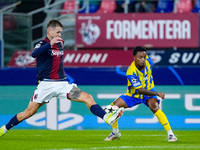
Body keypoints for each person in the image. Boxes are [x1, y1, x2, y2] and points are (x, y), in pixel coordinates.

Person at [0, 19, 124, 137]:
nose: (60, 34)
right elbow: (34, 54)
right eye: (58, 32)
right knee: (28, 113)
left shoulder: (60, 43)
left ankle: (106, 118)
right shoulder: (42, 43)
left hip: (62, 84)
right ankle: (3, 129)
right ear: (50, 31)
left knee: (88, 97)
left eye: (61, 32)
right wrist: (49, 45)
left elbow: (52, 60)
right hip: (46, 85)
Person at [104, 46, 177, 142]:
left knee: (155, 107)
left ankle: (171, 135)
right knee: (113, 108)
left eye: (144, 57)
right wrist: (157, 93)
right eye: (140, 57)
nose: (143, 59)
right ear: (134, 57)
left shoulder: (149, 61)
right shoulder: (131, 72)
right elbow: (140, 90)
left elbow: (147, 58)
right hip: (133, 95)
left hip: (148, 92)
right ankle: (115, 132)